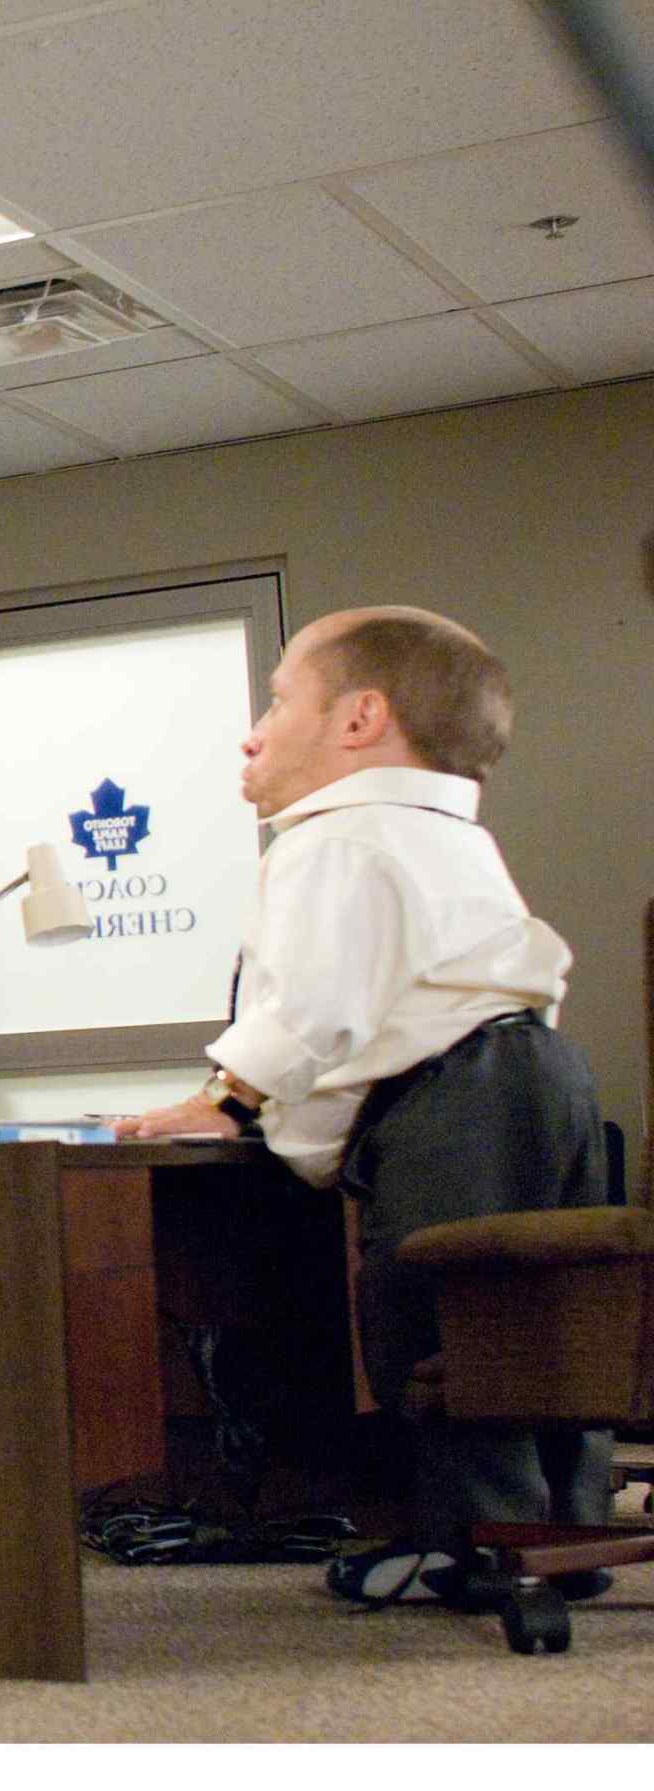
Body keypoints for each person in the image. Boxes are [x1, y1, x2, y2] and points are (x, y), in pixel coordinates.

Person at [115, 607, 611, 1609]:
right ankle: (567, 1531)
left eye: (276, 701)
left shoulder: (334, 837)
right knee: (542, 1319)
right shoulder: (445, 831)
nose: (251, 733)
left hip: (455, 1098)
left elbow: (314, 997)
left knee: (437, 1321)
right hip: (543, 1075)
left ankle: (473, 1548)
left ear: (359, 719)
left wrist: (226, 1098)